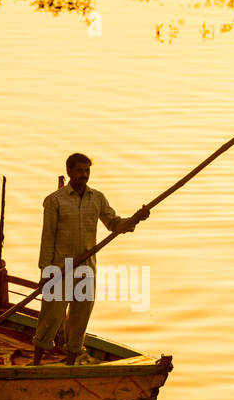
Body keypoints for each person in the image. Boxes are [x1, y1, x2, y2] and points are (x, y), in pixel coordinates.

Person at [32, 152, 148, 365]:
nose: (84, 175)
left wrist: (135, 219)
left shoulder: (97, 198)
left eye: (87, 171)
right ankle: (36, 362)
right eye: (79, 171)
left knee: (80, 318)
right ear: (69, 172)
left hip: (86, 268)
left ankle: (70, 366)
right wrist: (45, 272)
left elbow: (114, 224)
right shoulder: (55, 200)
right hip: (59, 269)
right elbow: (47, 238)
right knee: (51, 318)